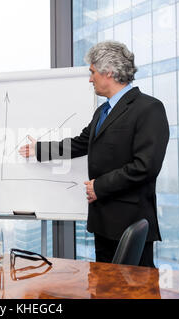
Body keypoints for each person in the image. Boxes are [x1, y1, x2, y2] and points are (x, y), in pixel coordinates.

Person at [19, 41, 169, 267]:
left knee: (135, 291)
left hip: (131, 223)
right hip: (103, 222)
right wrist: (40, 149)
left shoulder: (149, 108)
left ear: (108, 71)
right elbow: (81, 143)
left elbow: (145, 166)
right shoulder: (103, 111)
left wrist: (100, 186)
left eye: (92, 72)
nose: (90, 79)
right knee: (104, 289)